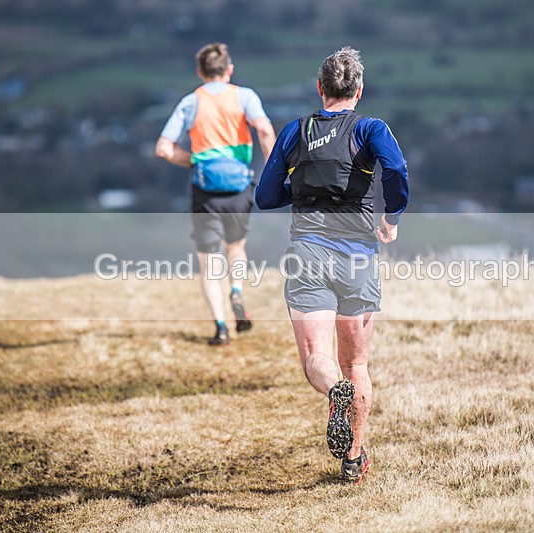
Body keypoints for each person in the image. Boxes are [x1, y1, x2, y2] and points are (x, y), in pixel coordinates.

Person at [256, 47, 409, 483]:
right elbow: (396, 169)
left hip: (307, 254)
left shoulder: (295, 132)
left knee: (317, 359)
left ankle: (332, 391)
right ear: (358, 90)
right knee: (356, 364)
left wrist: (303, 196)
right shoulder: (371, 128)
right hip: (357, 256)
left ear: (319, 89)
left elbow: (266, 196)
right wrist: (390, 214)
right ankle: (354, 457)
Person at [156, 42, 275, 346]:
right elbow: (263, 130)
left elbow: (163, 148)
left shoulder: (189, 102)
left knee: (209, 263)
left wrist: (193, 159)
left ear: (200, 72)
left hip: (205, 191)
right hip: (239, 187)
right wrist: (275, 166)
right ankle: (236, 289)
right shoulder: (244, 96)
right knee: (236, 246)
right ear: (229, 69)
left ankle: (221, 327)